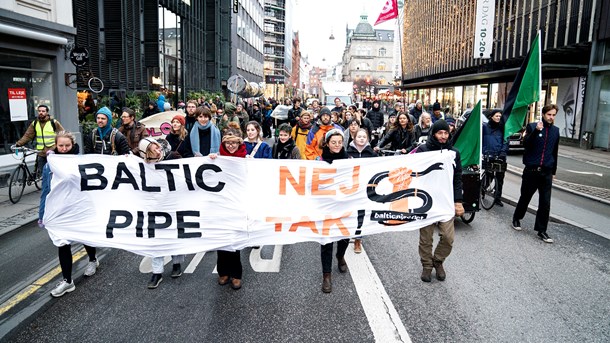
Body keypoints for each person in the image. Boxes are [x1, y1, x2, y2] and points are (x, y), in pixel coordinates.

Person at [40, 131, 100, 297]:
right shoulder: (49, 165)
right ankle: (67, 281)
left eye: (67, 145)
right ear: (56, 145)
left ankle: (93, 260)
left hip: (79, 207)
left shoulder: (80, 161)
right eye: (61, 146)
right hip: (60, 210)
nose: (64, 149)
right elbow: (46, 190)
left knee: (84, 236)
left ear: (72, 145)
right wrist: (42, 213)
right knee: (62, 243)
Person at [415, 120, 464, 282]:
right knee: (426, 238)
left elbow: (457, 179)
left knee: (448, 238)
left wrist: (458, 201)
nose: (443, 136)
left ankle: (438, 261)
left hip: (446, 201)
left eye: (446, 133)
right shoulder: (423, 150)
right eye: (439, 133)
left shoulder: (454, 153)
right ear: (433, 134)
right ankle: (427, 266)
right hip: (427, 201)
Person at [135, 137, 186, 288]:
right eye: (154, 148)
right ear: (146, 152)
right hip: (154, 207)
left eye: (158, 147)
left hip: (173, 204)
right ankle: (157, 272)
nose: (158, 150)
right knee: (156, 238)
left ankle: (177, 264)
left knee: (174, 235)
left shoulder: (173, 157)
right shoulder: (142, 165)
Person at [511, 105, 560, 243]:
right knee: (525, 197)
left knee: (545, 203)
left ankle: (541, 230)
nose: (551, 117)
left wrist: (553, 171)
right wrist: (535, 131)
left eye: (554, 115)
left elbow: (554, 152)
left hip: (546, 172)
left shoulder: (555, 131)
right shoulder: (532, 127)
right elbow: (525, 143)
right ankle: (517, 218)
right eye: (549, 114)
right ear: (543, 114)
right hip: (531, 171)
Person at [209, 126, 247, 290]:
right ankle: (223, 272)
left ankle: (236, 274)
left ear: (239, 143)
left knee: (235, 241)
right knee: (221, 240)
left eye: (234, 143)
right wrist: (210, 160)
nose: (231, 146)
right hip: (221, 204)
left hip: (238, 204)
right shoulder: (217, 158)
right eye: (228, 143)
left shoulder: (245, 158)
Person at [318, 129, 350, 293]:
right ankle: (326, 275)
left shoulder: (349, 160)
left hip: (344, 205)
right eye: (333, 142)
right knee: (326, 241)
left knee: (344, 236)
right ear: (327, 143)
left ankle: (340, 255)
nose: (337, 145)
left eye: (339, 142)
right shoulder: (319, 161)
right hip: (326, 206)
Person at [347, 128, 377, 253]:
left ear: (367, 139)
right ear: (354, 138)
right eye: (359, 136)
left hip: (364, 188)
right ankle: (346, 233)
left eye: (364, 137)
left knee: (361, 214)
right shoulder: (347, 152)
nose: (361, 139)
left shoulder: (372, 153)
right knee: (349, 212)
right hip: (350, 187)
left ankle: (358, 239)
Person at [15, 104, 65, 172]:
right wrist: (18, 143)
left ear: (47, 112)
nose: (41, 112)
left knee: (54, 171)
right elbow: (28, 135)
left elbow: (63, 134)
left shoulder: (53, 122)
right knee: (42, 172)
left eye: (43, 111)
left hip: (52, 151)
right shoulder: (35, 123)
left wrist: (62, 146)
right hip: (40, 152)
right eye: (39, 111)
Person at [482, 110, 508, 206]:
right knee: (488, 176)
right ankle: (482, 190)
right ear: (491, 117)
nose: (498, 118)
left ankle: (497, 198)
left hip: (500, 156)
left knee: (500, 178)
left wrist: (503, 153)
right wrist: (483, 151)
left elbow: (506, 142)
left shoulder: (504, 129)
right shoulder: (484, 127)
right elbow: (481, 140)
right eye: (496, 116)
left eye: (500, 116)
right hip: (488, 155)